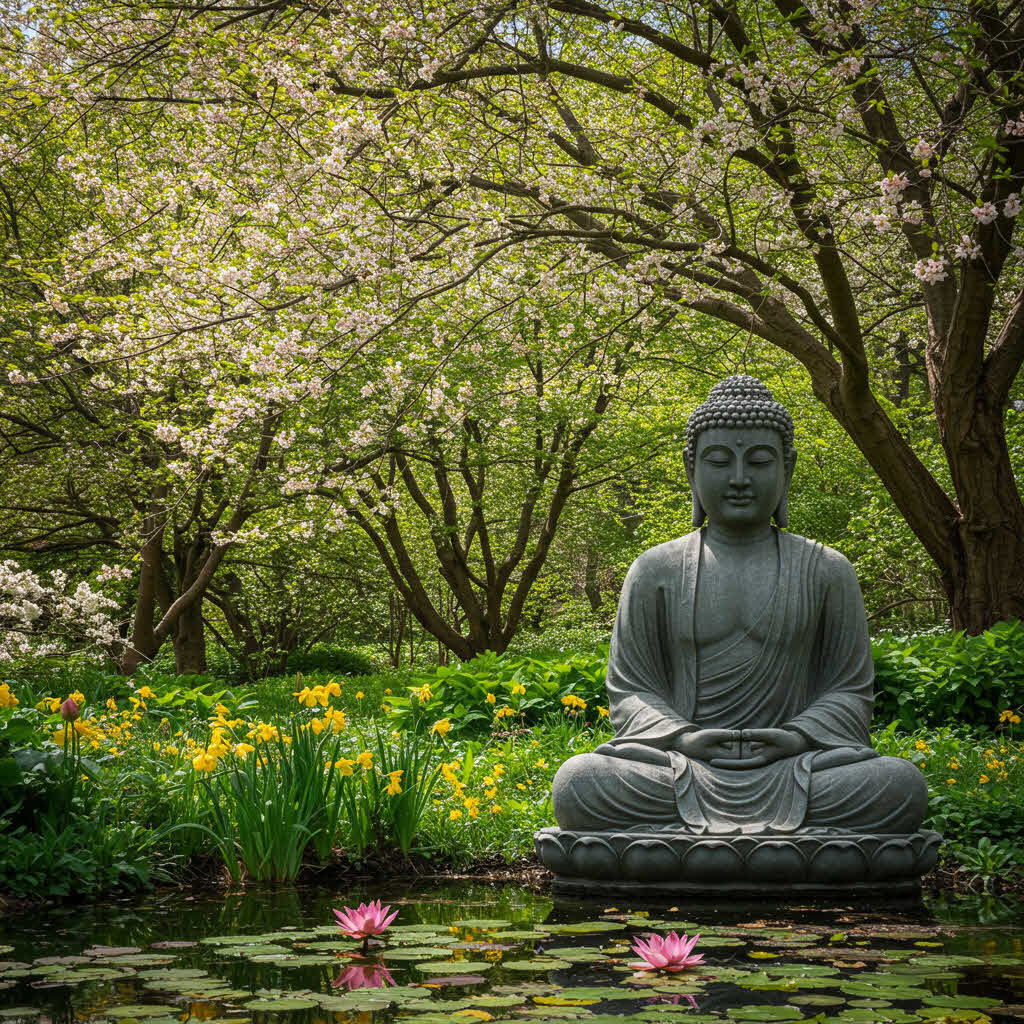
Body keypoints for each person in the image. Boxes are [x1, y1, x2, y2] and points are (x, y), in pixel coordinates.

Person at [552, 376, 927, 835]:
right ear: (691, 471)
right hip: (681, 767)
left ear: (786, 470)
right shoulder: (656, 569)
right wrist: (684, 736)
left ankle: (683, 850)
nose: (739, 478)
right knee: (581, 783)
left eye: (760, 461)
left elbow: (849, 691)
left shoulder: (827, 569)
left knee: (898, 785)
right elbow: (631, 689)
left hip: (797, 768)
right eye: (718, 461)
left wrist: (795, 737)